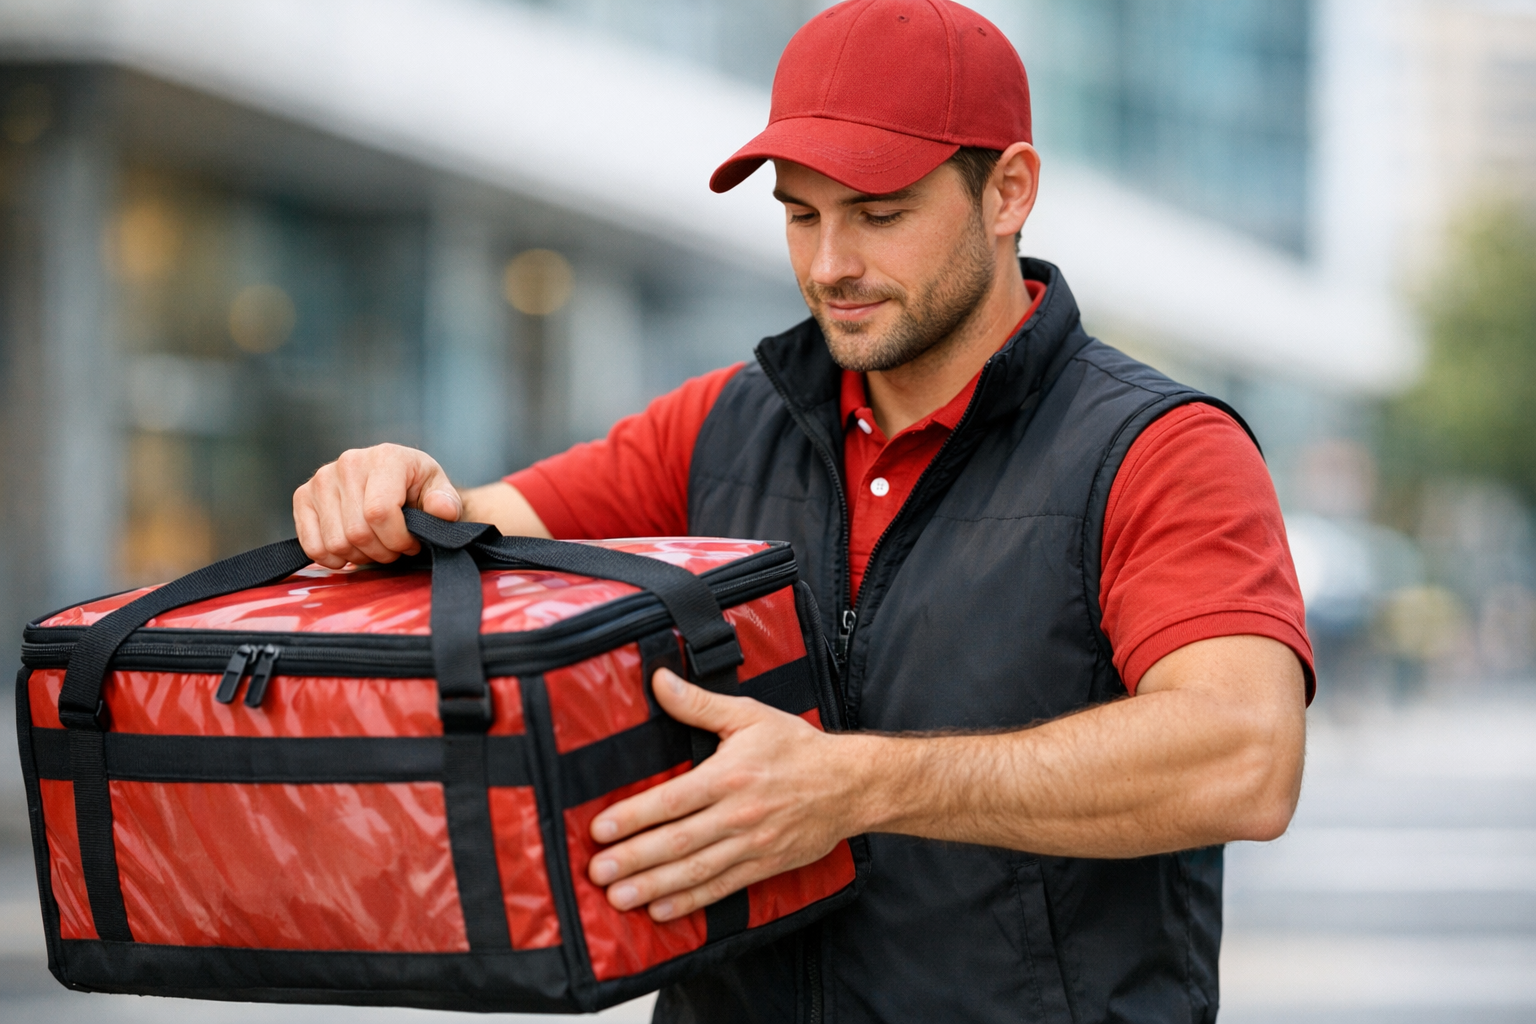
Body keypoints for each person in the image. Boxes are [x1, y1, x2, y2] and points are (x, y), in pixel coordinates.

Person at [293, 2, 1311, 1020]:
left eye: (878, 212)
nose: (830, 265)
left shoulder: (1159, 449)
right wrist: (390, 499)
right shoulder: (721, 425)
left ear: (1009, 191)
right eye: (801, 213)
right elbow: (468, 536)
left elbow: (1244, 754)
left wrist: (857, 786)